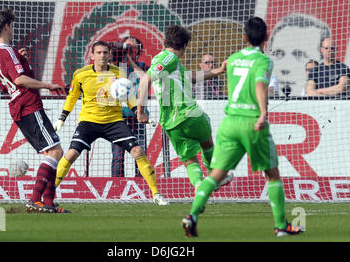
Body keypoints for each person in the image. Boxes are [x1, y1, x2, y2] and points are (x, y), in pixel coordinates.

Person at [181, 17, 303, 237]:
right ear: (266, 38)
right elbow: (258, 83)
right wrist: (263, 113)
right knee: (273, 175)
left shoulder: (234, 59)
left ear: (244, 37)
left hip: (229, 122)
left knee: (216, 175)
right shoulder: (263, 60)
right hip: (251, 121)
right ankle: (281, 226)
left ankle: (192, 215)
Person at [52, 41, 168, 205]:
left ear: (109, 55)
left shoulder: (118, 72)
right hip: (89, 121)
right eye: (98, 52)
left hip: (114, 121)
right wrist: (62, 118)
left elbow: (128, 96)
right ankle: (49, 193)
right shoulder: (80, 74)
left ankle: (156, 195)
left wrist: (137, 112)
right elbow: (72, 97)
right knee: (71, 154)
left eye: (105, 52)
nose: (102, 55)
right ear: (92, 56)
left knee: (138, 151)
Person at [0, 9, 69, 213]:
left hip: (20, 106)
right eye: (12, 26)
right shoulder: (6, 51)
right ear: (6, 26)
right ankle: (35, 200)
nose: (13, 30)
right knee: (56, 151)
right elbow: (19, 80)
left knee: (53, 152)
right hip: (28, 105)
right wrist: (47, 85)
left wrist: (20, 59)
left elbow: (10, 76)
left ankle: (48, 203)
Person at [137, 25, 234, 196]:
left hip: (170, 123)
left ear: (165, 41)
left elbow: (192, 78)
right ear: (185, 45)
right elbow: (145, 81)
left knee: (189, 160)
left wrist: (218, 71)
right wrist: (140, 111)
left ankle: (199, 185)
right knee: (207, 143)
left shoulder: (166, 62)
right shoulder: (169, 58)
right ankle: (218, 177)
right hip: (189, 114)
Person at [110, 36, 147, 177]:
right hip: (118, 117)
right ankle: (116, 188)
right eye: (126, 47)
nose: (128, 51)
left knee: (141, 153)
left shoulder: (142, 66)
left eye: (132, 48)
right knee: (117, 156)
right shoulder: (114, 66)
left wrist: (130, 60)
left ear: (138, 51)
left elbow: (145, 79)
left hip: (139, 115)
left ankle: (143, 185)